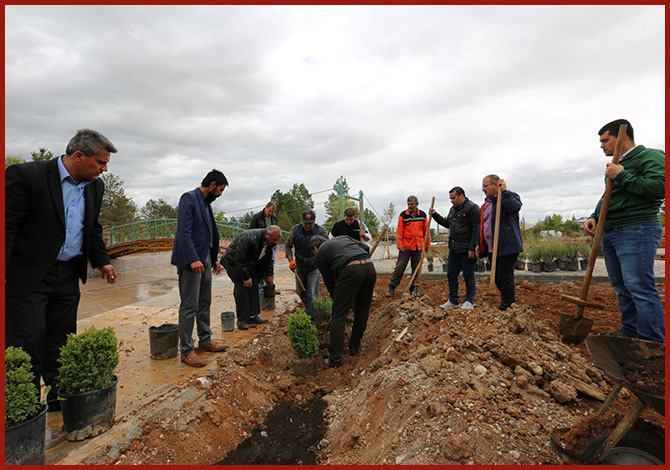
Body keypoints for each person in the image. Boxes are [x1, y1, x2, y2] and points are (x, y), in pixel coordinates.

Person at [5, 128, 119, 409]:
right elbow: (6, 226)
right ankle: (27, 407)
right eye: (100, 163)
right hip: (29, 274)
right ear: (78, 156)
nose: (104, 169)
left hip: (67, 274)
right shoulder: (27, 176)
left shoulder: (96, 186)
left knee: (63, 340)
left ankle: (59, 399)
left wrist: (101, 260)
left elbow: (92, 227)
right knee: (27, 341)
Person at [585, 119, 665, 342]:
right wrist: (595, 215)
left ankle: (652, 341)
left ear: (624, 136)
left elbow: (660, 186)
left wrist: (621, 175)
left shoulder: (651, 156)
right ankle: (630, 330)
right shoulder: (616, 164)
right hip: (612, 230)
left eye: (605, 140)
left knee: (639, 285)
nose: (602, 145)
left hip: (636, 228)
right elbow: (609, 195)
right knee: (622, 286)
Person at [171, 169, 229, 367]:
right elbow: (184, 232)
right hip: (191, 261)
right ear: (212, 185)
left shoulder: (205, 203)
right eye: (220, 190)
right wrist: (193, 259)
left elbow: (210, 232)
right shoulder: (189, 198)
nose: (220, 194)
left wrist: (214, 259)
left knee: (204, 301)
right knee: (189, 306)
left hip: (204, 258)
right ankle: (186, 351)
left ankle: (205, 341)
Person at [310, 235, 376, 368]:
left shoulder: (320, 253)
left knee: (339, 316)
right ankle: (353, 347)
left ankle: (335, 358)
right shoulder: (344, 238)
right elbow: (364, 247)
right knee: (362, 311)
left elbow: (329, 281)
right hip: (369, 268)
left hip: (350, 270)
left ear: (314, 248)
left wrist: (338, 300)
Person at [429, 186, 480, 310]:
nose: (451, 200)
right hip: (454, 249)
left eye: (453, 197)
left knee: (468, 275)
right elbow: (448, 224)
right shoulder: (453, 209)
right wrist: (435, 215)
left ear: (461, 196)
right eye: (450, 198)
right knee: (451, 274)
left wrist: (472, 248)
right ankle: (453, 300)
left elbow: (476, 229)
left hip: (467, 248)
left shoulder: (473, 208)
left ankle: (469, 301)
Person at [220, 226, 281, 330]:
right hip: (234, 263)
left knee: (254, 287)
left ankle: (252, 316)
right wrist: (245, 277)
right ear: (267, 235)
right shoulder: (249, 238)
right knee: (242, 287)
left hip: (249, 264)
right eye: (274, 239)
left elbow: (269, 259)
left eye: (277, 240)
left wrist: (269, 274)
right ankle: (242, 319)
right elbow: (239, 259)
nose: (275, 242)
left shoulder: (270, 243)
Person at [478, 175, 523, 310]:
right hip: (492, 248)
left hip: (507, 246)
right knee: (497, 278)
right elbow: (482, 225)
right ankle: (508, 301)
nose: (483, 189)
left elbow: (514, 207)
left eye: (486, 186)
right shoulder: (486, 204)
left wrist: (504, 192)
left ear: (496, 185)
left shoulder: (510, 197)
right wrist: (478, 243)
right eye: (483, 186)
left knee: (504, 277)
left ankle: (508, 305)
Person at [284, 209, 328, 322]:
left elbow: (328, 248)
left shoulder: (321, 232)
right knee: (300, 291)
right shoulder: (295, 230)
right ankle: (314, 309)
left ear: (314, 222)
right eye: (306, 223)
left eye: (311, 223)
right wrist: (290, 260)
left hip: (314, 267)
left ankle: (312, 320)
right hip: (299, 266)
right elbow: (287, 246)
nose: (308, 226)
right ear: (302, 222)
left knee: (312, 292)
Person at [386, 195, 430, 297]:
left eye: (412, 204)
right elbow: (399, 231)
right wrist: (399, 244)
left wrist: (426, 245)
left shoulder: (422, 215)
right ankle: (392, 287)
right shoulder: (403, 215)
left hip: (418, 247)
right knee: (400, 268)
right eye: (408, 204)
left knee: (416, 270)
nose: (410, 206)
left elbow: (426, 232)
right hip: (405, 247)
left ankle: (414, 289)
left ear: (417, 204)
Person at [249, 201, 280, 294]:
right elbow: (251, 232)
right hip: (260, 245)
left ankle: (270, 285)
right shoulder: (257, 217)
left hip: (271, 245)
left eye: (272, 212)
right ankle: (259, 285)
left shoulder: (274, 217)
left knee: (270, 263)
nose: (270, 213)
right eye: (269, 211)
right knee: (259, 265)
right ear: (266, 207)